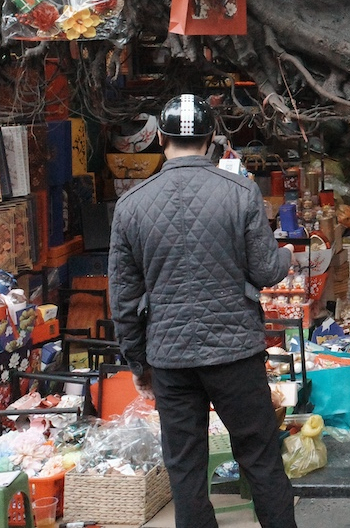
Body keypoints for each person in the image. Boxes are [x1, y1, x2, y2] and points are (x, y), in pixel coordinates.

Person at [109, 93, 296, 528]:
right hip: (235, 353)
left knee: (186, 469)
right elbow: (268, 270)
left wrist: (138, 361)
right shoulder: (240, 192)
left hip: (170, 359)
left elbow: (122, 298)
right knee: (261, 458)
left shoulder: (131, 206)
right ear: (212, 139)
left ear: (160, 138)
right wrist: (285, 254)